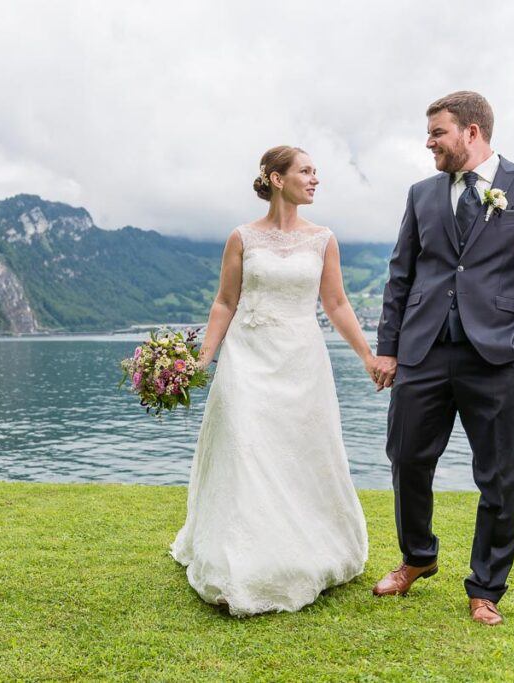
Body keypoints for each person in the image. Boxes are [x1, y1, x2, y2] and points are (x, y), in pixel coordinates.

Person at [371, 91, 514, 626]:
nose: (429, 142)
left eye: (437, 132)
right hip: (422, 350)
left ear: (472, 132)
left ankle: (486, 587)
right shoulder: (421, 194)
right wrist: (388, 347)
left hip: (500, 355)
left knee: (501, 476)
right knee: (407, 457)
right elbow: (401, 275)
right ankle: (418, 557)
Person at [170, 145, 376, 616]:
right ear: (277, 179)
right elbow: (225, 302)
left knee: (300, 451)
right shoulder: (242, 237)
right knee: (246, 448)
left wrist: (367, 356)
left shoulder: (324, 238)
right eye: (306, 170)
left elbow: (338, 304)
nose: (315, 178)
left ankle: (307, 546)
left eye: (316, 171)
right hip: (246, 356)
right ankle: (238, 559)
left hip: (302, 361)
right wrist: (204, 358)